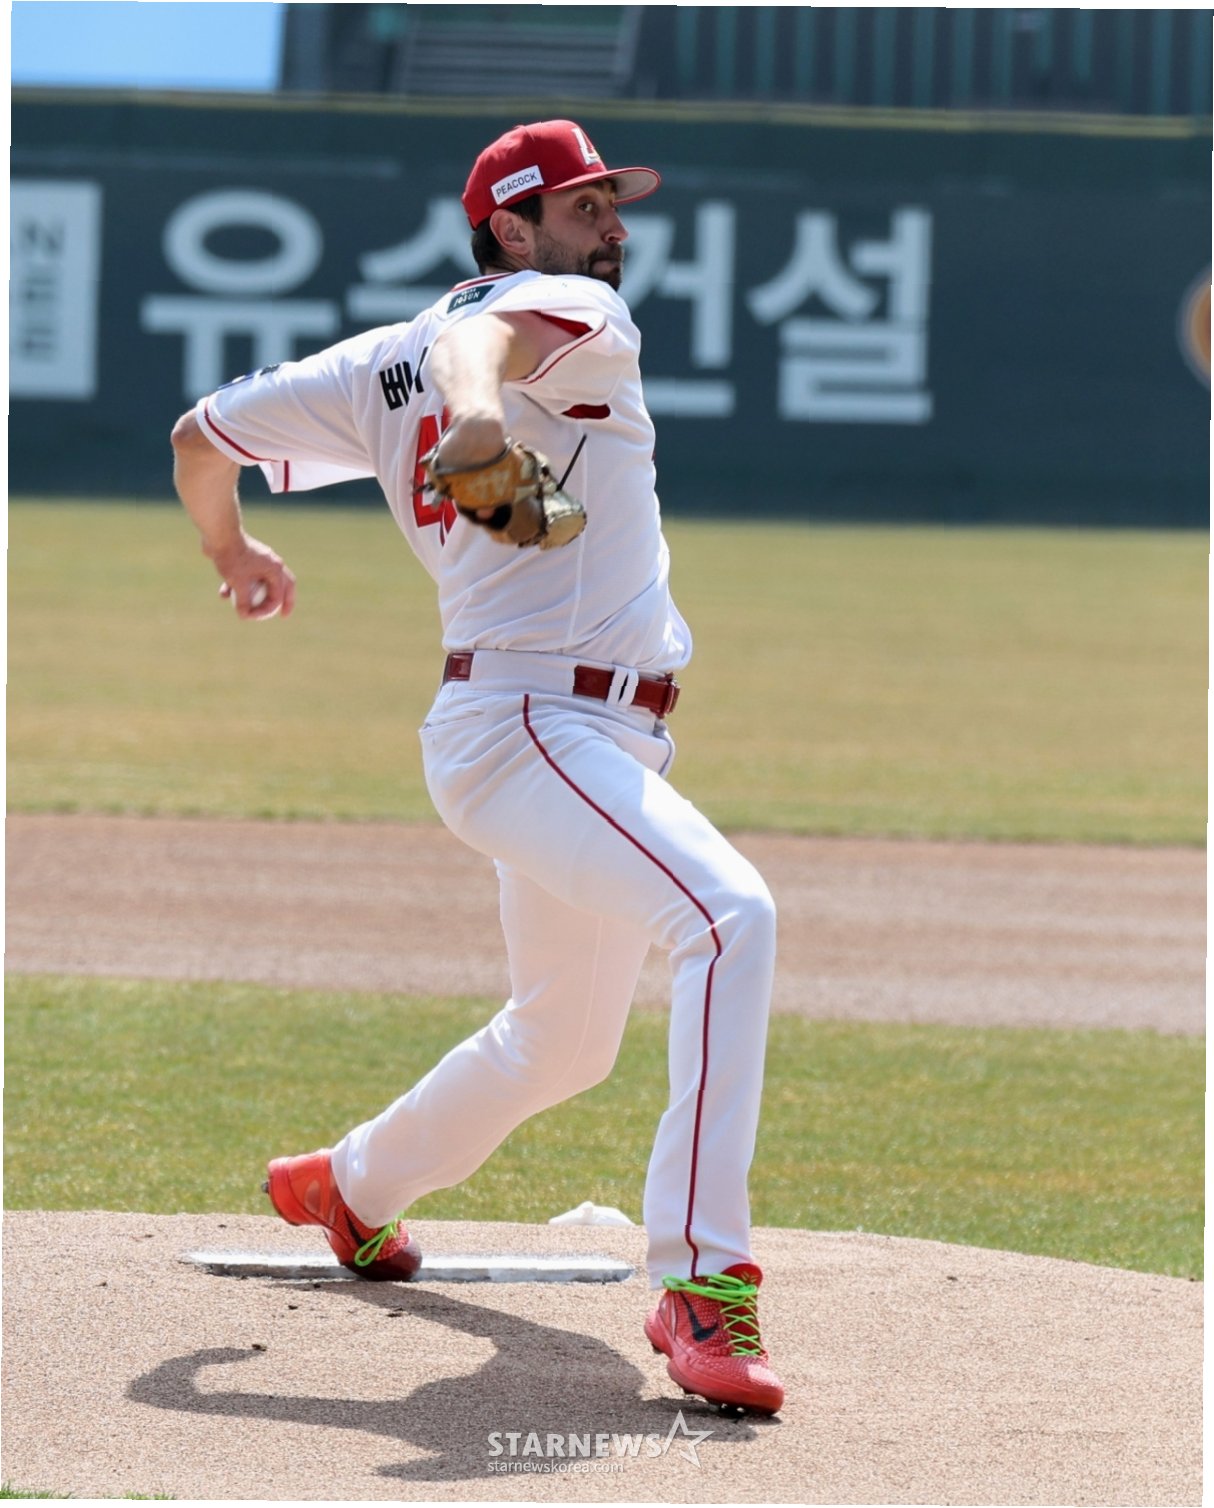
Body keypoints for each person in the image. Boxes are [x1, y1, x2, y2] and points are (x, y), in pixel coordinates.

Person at [170, 119, 784, 1416]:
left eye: (612, 203)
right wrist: (476, 416)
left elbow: (197, 437)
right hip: (536, 727)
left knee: (563, 1041)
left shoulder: (370, 362)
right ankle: (700, 1280)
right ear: (511, 228)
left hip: (548, 732)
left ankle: (350, 1186)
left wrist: (231, 551)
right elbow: (475, 352)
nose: (611, 226)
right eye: (582, 206)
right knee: (731, 918)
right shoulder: (566, 311)